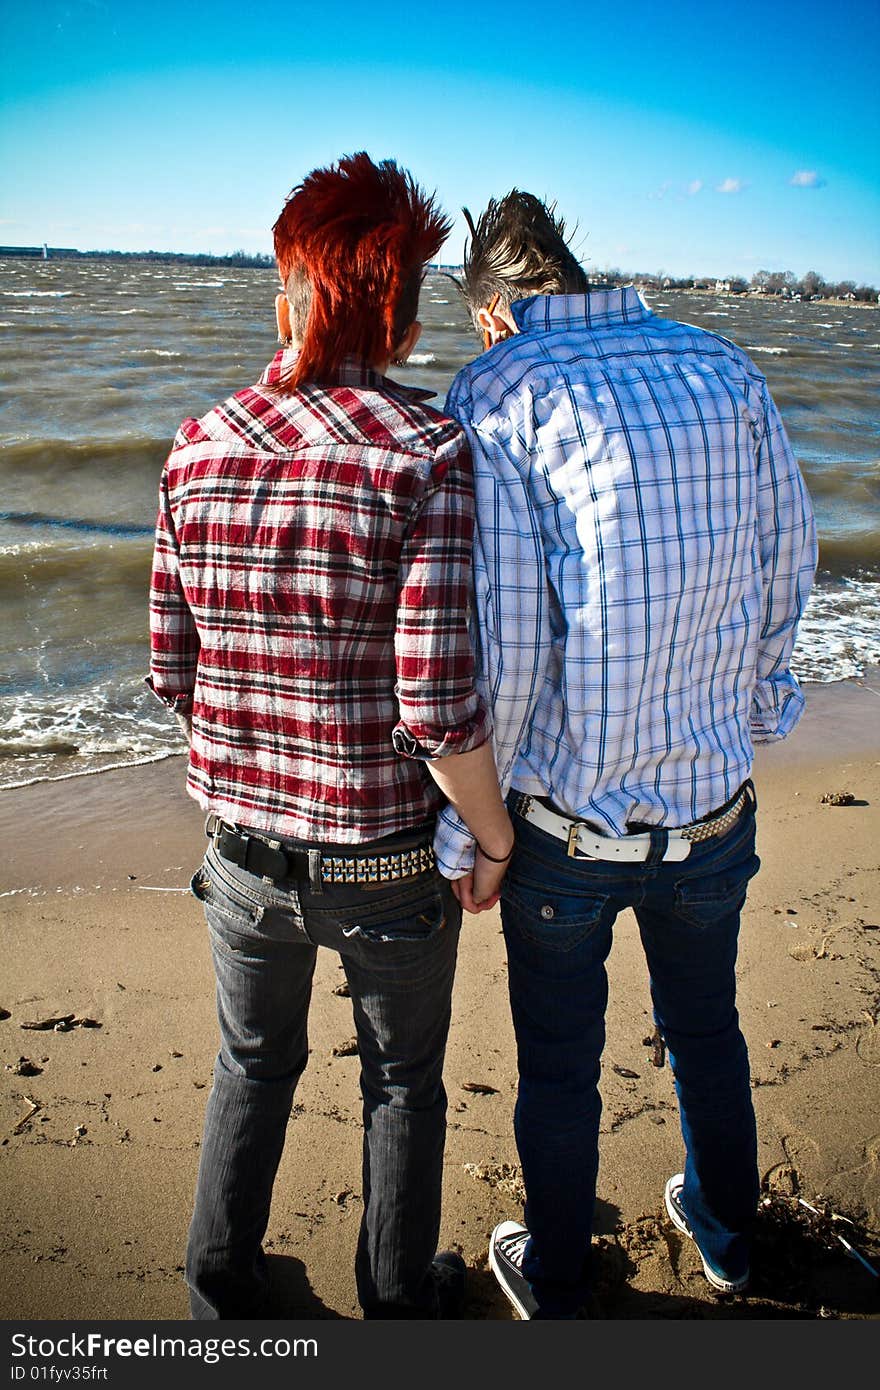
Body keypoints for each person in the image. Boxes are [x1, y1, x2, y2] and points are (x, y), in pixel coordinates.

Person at [434, 191, 818, 1318]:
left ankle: (555, 1277)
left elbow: (499, 643)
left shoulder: (498, 389)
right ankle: (729, 1236)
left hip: (566, 830)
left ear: (493, 312)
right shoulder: (720, 365)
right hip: (712, 806)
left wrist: (474, 825)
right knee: (707, 1027)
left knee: (560, 1065)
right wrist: (751, 709)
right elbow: (783, 558)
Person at [147, 153, 513, 1321]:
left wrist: (258, 743)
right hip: (386, 860)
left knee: (252, 1061)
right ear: (401, 321)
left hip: (243, 851)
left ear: (292, 295)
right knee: (402, 1079)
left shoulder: (196, 443)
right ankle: (399, 1297)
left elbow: (171, 669)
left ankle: (222, 1288)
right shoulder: (428, 450)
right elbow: (436, 701)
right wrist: (493, 835)